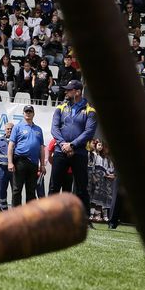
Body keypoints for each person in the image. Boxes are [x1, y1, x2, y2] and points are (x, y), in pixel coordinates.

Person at [48, 80, 97, 211]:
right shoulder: (60, 107)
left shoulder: (90, 110)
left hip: (79, 152)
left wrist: (73, 145)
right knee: (54, 186)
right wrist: (64, 144)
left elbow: (89, 132)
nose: (66, 92)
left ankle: (84, 218)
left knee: (81, 187)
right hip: (60, 150)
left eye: (69, 90)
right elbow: (54, 129)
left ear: (78, 92)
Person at [8, 104, 45, 206]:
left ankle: (29, 216)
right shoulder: (17, 127)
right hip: (20, 161)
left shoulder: (39, 129)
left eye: (30, 111)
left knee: (31, 191)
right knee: (17, 189)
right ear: (23, 114)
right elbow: (11, 146)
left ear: (34, 114)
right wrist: (10, 162)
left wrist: (42, 165)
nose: (28, 113)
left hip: (33, 163)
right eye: (26, 111)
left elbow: (41, 148)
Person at [0, 120, 14, 211]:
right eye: (8, 129)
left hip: (13, 170)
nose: (9, 131)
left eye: (11, 129)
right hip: (2, 170)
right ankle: (3, 210)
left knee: (15, 191)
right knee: (1, 190)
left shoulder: (17, 141)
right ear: (5, 130)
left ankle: (15, 211)